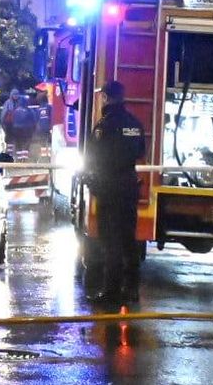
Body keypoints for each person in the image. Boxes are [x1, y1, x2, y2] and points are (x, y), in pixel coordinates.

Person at [86, 80, 147, 304]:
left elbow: (95, 155)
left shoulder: (105, 125)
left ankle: (111, 291)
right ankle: (131, 290)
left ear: (105, 97)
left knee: (110, 241)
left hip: (109, 187)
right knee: (129, 240)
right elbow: (140, 151)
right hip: (129, 186)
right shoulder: (134, 123)